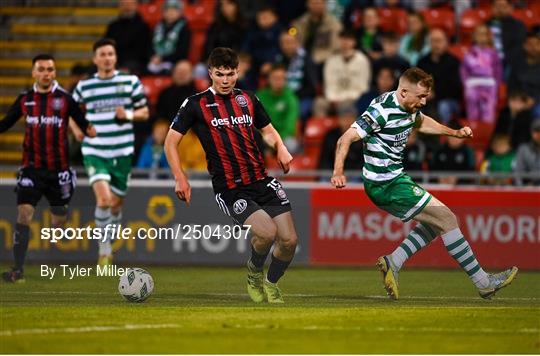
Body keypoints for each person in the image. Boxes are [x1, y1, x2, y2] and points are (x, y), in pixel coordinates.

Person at [331, 67, 518, 300]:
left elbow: (421, 122)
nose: (424, 101)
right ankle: (483, 282)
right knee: (447, 218)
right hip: (385, 183)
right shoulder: (381, 110)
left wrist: (455, 133)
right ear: (403, 92)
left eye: (426, 96)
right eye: (420, 96)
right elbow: (345, 138)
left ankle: (394, 261)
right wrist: (338, 171)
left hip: (395, 178)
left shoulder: (408, 107)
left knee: (436, 223)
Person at [164, 47, 298, 304]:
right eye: (220, 74)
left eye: (230, 74)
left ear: (238, 72)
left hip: (261, 179)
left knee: (290, 240)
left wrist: (280, 147)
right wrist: (179, 176)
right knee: (267, 233)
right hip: (230, 188)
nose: (225, 80)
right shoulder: (195, 104)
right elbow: (171, 142)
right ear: (210, 73)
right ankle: (254, 271)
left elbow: (268, 130)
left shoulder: (248, 99)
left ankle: (271, 283)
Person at [0, 54, 96, 282]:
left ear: (55, 72)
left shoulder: (65, 100)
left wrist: (93, 131)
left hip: (59, 172)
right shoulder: (25, 100)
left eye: (50, 69)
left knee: (58, 221)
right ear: (33, 73)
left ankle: (59, 218)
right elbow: (5, 123)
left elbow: (84, 125)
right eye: (41, 69)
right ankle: (18, 270)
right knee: (24, 214)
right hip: (31, 170)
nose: (46, 73)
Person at [73, 38, 149, 266]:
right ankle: (104, 251)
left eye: (110, 54)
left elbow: (144, 112)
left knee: (116, 204)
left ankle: (112, 228)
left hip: (122, 151)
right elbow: (70, 111)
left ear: (115, 58)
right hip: (95, 150)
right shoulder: (84, 86)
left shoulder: (130, 82)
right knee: (104, 200)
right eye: (102, 54)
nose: (107, 58)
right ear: (95, 59)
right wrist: (77, 129)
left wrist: (125, 115)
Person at [417, 28, 462, 124]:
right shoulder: (422, 62)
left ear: (446, 42)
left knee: (443, 107)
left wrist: (435, 93)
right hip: (425, 99)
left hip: (447, 99)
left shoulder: (454, 62)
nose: (436, 44)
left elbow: (456, 88)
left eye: (439, 41)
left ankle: (443, 135)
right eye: (433, 41)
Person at [460, 24, 503, 124]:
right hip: (472, 85)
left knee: (488, 113)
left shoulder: (493, 53)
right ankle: (473, 134)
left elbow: (498, 71)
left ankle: (486, 134)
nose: (482, 37)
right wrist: (466, 84)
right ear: (474, 36)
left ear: (489, 36)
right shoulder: (469, 53)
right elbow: (464, 70)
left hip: (489, 85)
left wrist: (496, 86)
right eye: (479, 34)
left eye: (484, 34)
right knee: (473, 113)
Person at [256, 64, 300, 153]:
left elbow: (290, 125)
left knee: (291, 145)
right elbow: (255, 121)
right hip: (264, 137)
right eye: (275, 78)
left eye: (282, 78)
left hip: (284, 138)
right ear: (269, 79)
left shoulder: (291, 98)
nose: (279, 81)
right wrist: (264, 136)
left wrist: (276, 140)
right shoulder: (260, 96)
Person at [104, 0, 152, 75]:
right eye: (124, 4)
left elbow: (143, 53)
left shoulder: (143, 27)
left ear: (136, 5)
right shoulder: (112, 27)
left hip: (134, 64)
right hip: (113, 61)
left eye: (130, 4)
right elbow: (105, 46)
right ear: (120, 6)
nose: (127, 7)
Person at [148, 0, 191, 75]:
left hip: (174, 62)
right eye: (167, 10)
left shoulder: (184, 28)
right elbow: (149, 45)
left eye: (174, 10)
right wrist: (153, 57)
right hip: (156, 61)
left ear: (179, 12)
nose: (170, 13)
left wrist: (163, 59)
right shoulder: (157, 27)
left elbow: (182, 52)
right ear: (163, 12)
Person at [514, 119, 540, 186]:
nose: (539, 135)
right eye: (536, 131)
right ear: (531, 133)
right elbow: (518, 171)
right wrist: (522, 188)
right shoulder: (523, 149)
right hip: (529, 187)